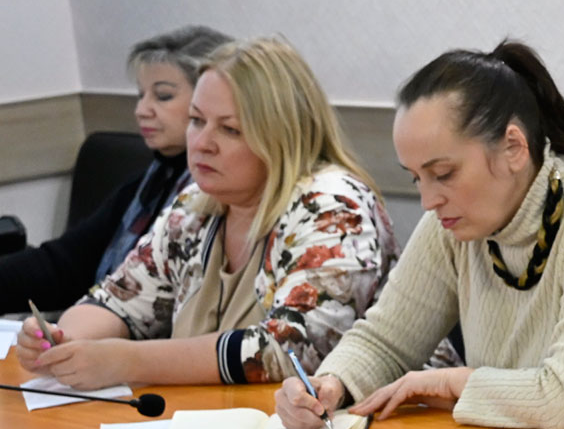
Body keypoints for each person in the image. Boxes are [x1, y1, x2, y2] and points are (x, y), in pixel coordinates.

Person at [276, 42, 564, 429]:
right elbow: (386, 340)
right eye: (417, 178)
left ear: (513, 147)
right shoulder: (456, 223)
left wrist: (451, 383)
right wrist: (330, 384)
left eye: (443, 174)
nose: (428, 201)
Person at [17, 36, 394, 388]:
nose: (201, 143)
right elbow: (119, 300)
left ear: (282, 136)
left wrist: (128, 361)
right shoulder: (195, 205)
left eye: (229, 129)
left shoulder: (333, 207)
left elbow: (290, 350)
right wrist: (62, 341)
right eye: (197, 121)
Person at [0, 25, 231, 313]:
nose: (141, 110)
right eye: (140, 95)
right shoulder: (150, 181)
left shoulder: (216, 195)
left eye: (162, 96)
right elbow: (66, 262)